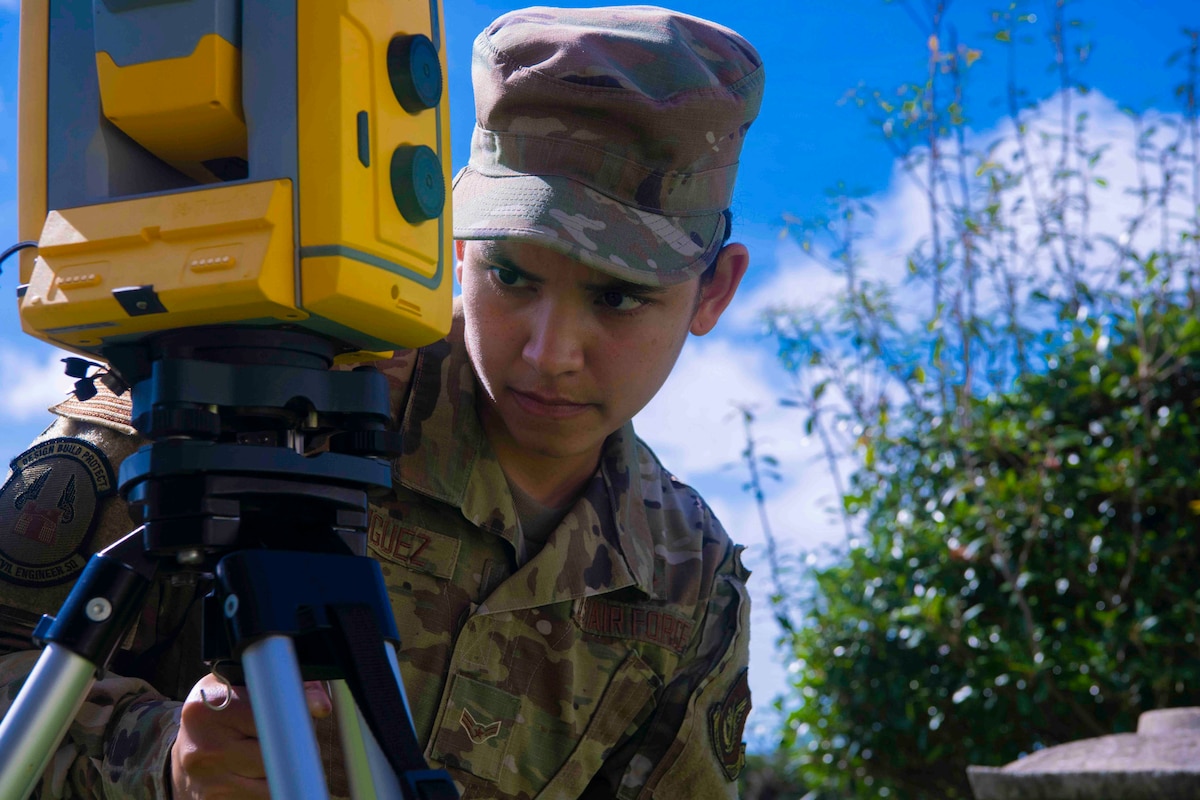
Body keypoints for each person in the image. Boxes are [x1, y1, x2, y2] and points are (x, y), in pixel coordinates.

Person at [0, 5, 765, 798]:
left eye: (618, 298)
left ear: (715, 290)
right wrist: (156, 757)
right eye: (512, 277)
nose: (549, 353)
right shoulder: (241, 401)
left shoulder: (688, 578)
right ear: (456, 244)